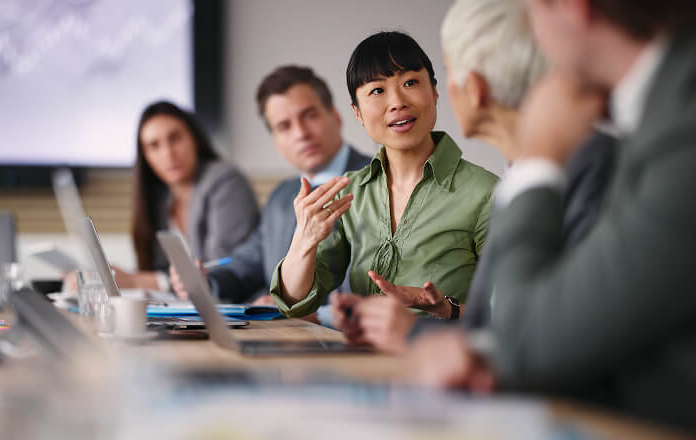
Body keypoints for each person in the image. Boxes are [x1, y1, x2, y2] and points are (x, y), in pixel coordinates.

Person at [405, 0, 696, 433]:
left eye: (530, 12)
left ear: (570, 6)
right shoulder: (660, 108)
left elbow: (532, 335)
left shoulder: (683, 128)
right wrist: (488, 352)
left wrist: (539, 159)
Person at [343, 0, 616, 354]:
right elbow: (498, 322)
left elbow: (549, 335)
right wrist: (441, 311)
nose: (400, 101)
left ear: (472, 87)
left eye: (443, 72)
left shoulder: (576, 169)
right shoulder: (520, 175)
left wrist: (413, 333)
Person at [270, 32, 498, 333]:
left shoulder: (486, 192)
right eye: (377, 91)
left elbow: (517, 311)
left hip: (447, 366)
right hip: (364, 366)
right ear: (357, 113)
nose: (397, 102)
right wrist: (304, 240)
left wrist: (447, 309)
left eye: (410, 83)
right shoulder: (349, 191)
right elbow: (297, 302)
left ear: (434, 91)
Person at [171, 66, 371, 316]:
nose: (301, 134)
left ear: (336, 117)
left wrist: (296, 310)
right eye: (284, 126)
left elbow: (370, 287)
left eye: (310, 116)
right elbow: (246, 265)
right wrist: (204, 281)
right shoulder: (282, 196)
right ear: (275, 141)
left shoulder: (378, 180)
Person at [116, 100, 259, 290]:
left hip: (238, 306)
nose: (168, 153)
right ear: (145, 157)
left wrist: (137, 281)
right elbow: (160, 268)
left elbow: (222, 268)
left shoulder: (226, 181)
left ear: (194, 138)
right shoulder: (162, 198)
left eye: (175, 138)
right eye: (154, 145)